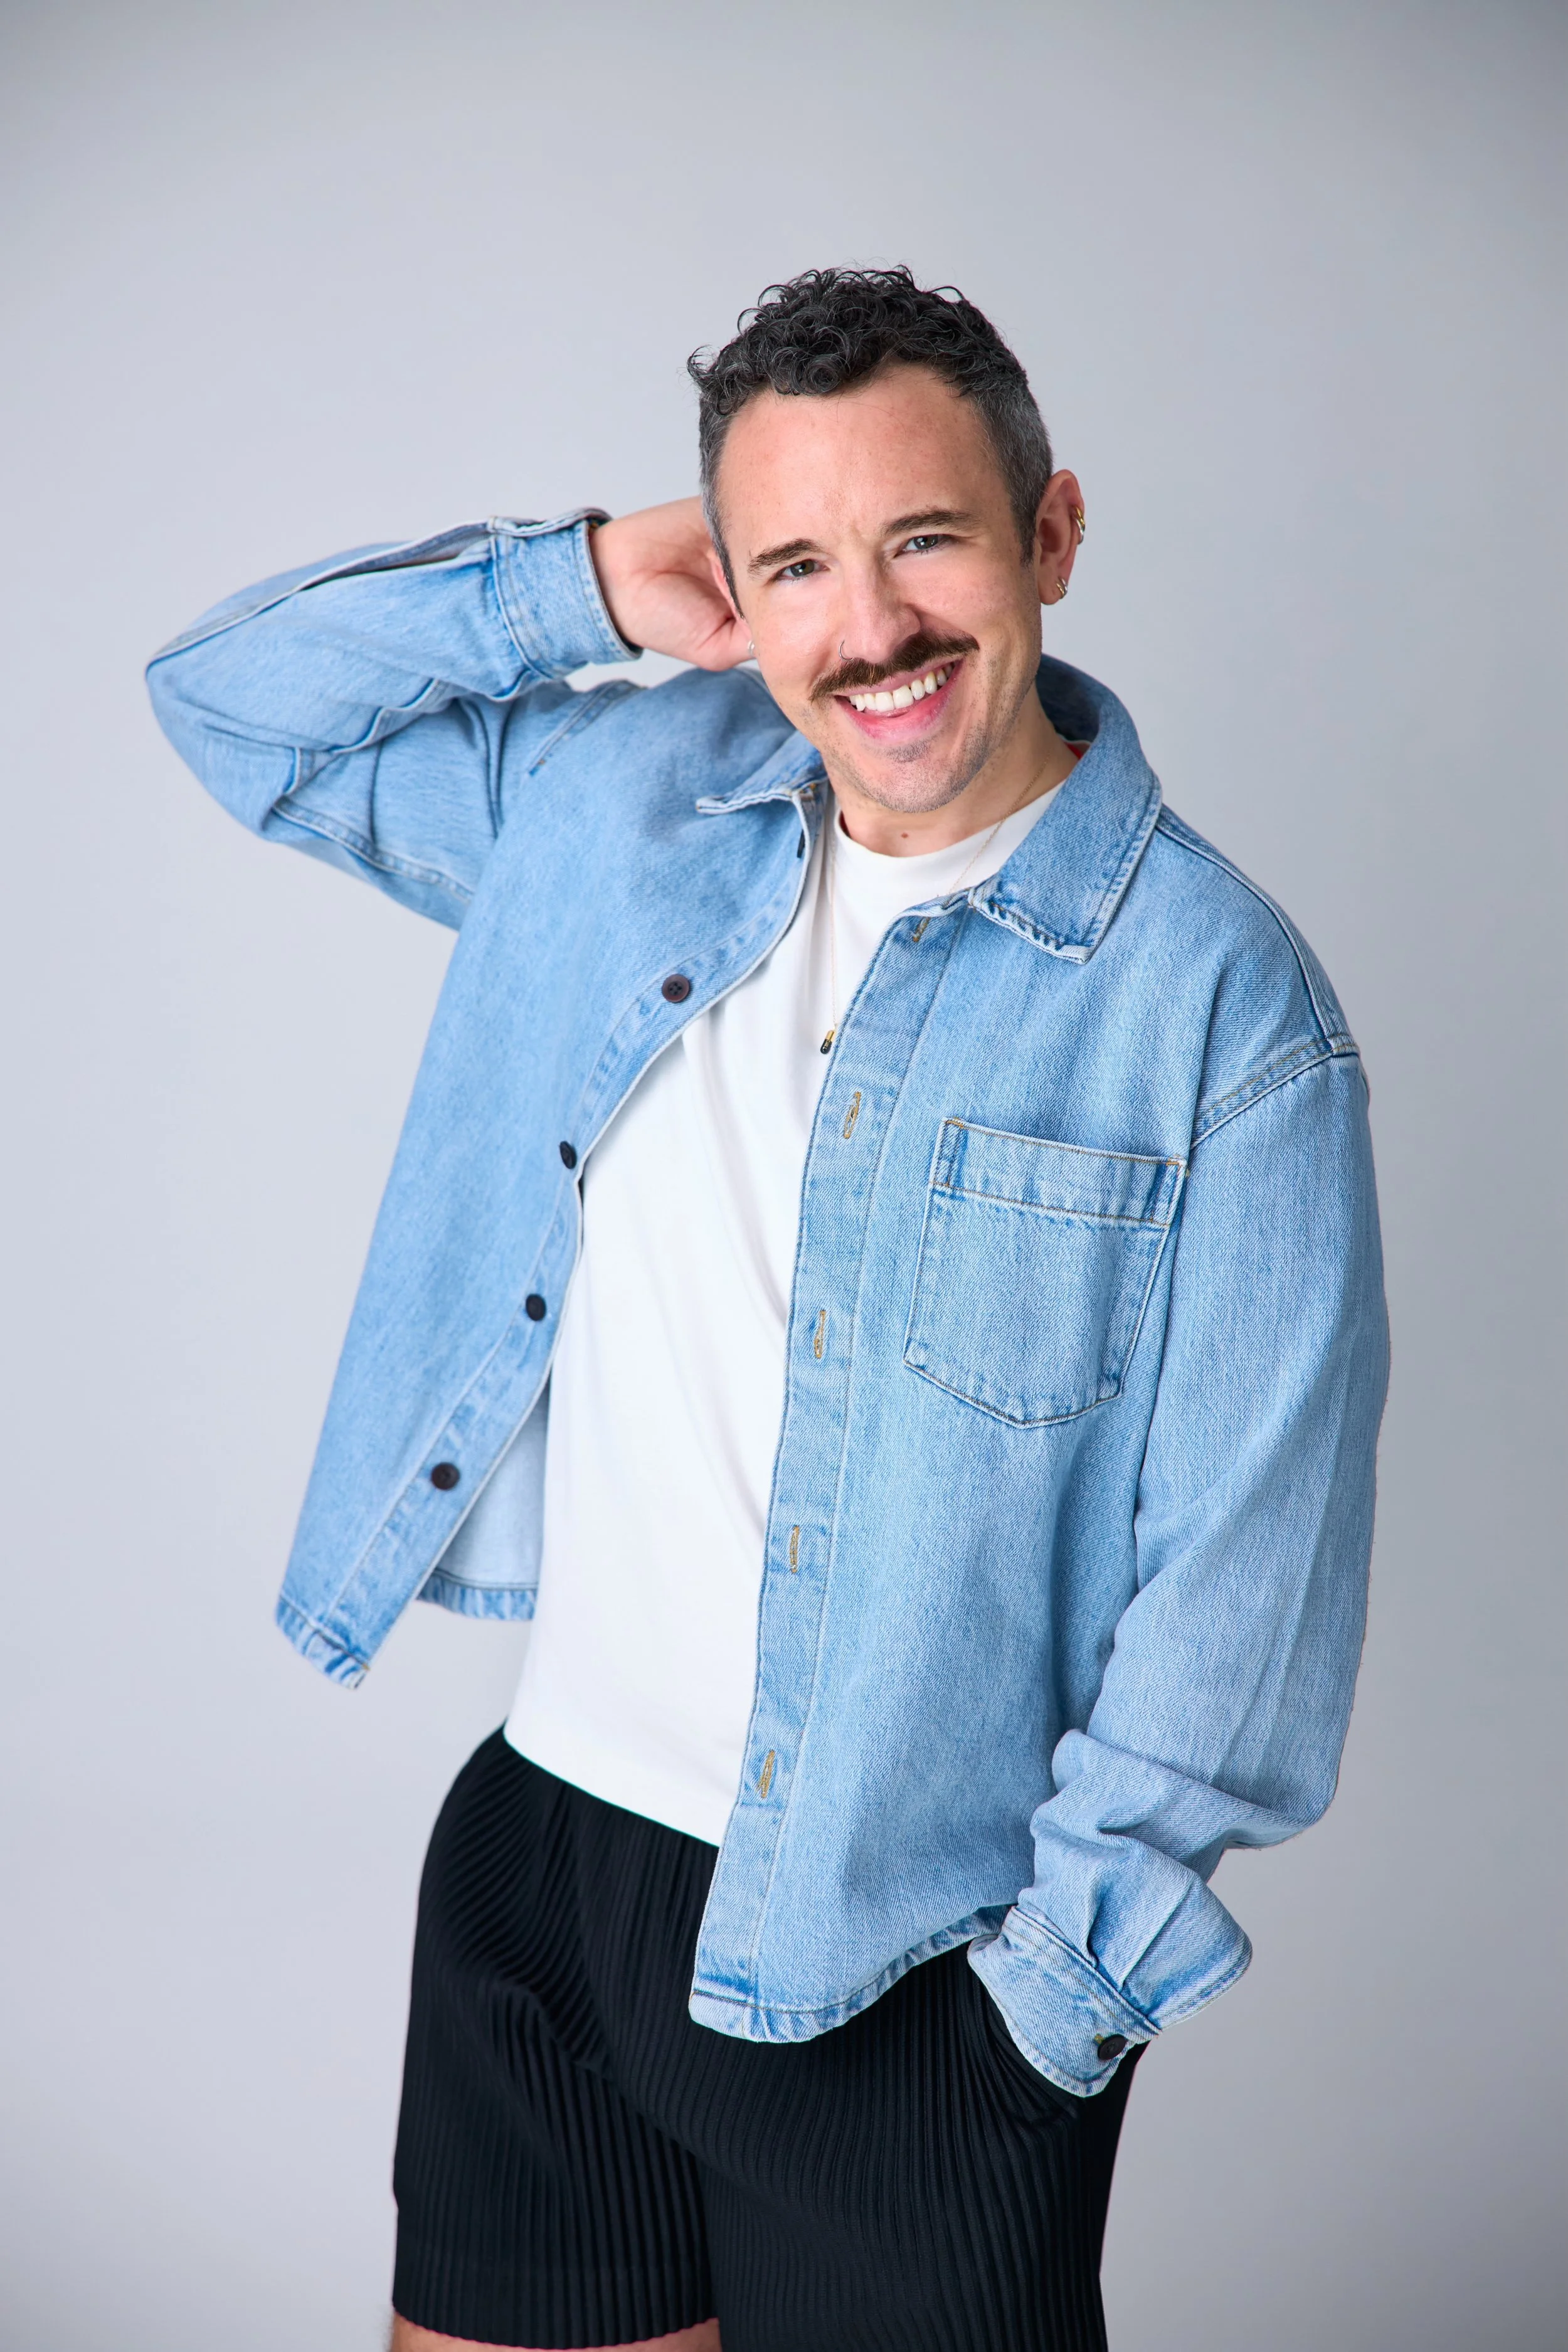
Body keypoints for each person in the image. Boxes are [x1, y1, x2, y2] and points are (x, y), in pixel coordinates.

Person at [147, 267, 1389, 2352]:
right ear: (729, 586)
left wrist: (1038, 2029)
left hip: (903, 1972)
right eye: (794, 562)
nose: (870, 626)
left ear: (1047, 536)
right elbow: (232, 703)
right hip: (547, 1865)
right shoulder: (624, 812)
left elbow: (1243, 1599)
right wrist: (569, 590)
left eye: (923, 539)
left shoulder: (1214, 1006)